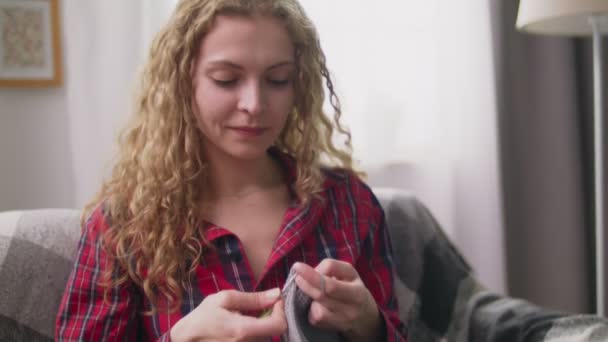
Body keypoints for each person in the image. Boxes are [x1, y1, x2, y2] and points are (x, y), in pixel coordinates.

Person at [55, 0, 407, 341]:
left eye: (278, 79)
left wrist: (368, 324)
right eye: (226, 79)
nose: (254, 104)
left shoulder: (348, 203)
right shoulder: (123, 225)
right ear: (183, 82)